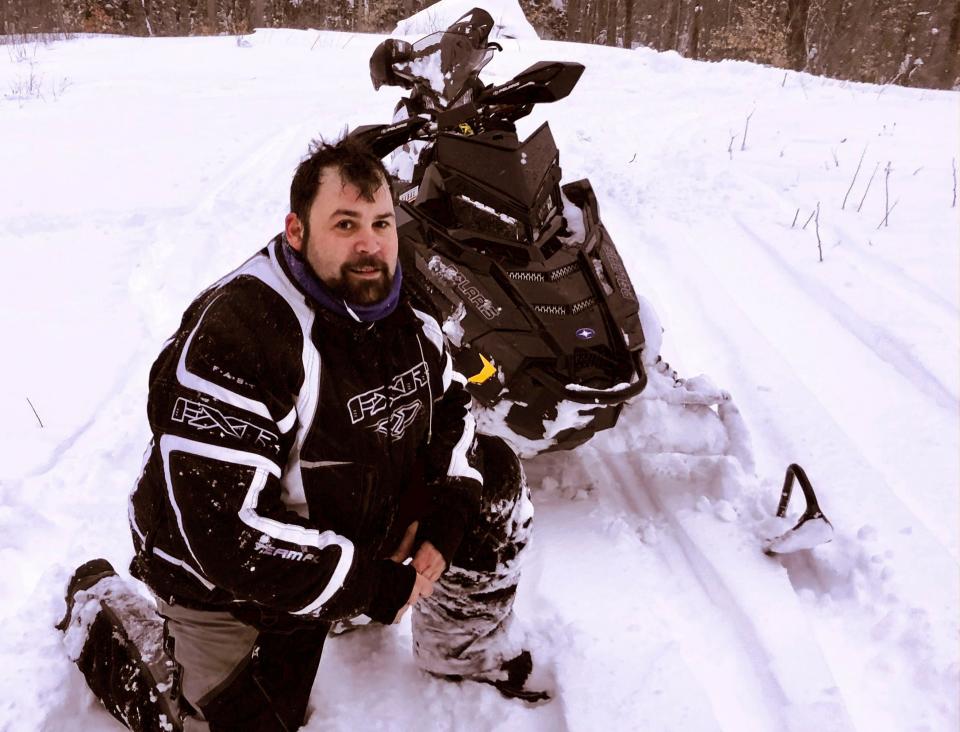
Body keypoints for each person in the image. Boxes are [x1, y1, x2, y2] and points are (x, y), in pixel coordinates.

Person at [56, 136, 548, 732]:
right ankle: (103, 612)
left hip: (349, 535)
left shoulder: (405, 296)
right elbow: (226, 536)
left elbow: (450, 410)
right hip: (239, 589)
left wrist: (445, 518)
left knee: (490, 474)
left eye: (381, 222)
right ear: (296, 230)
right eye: (345, 223)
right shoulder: (241, 334)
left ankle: (460, 648)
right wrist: (368, 584)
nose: (370, 244)